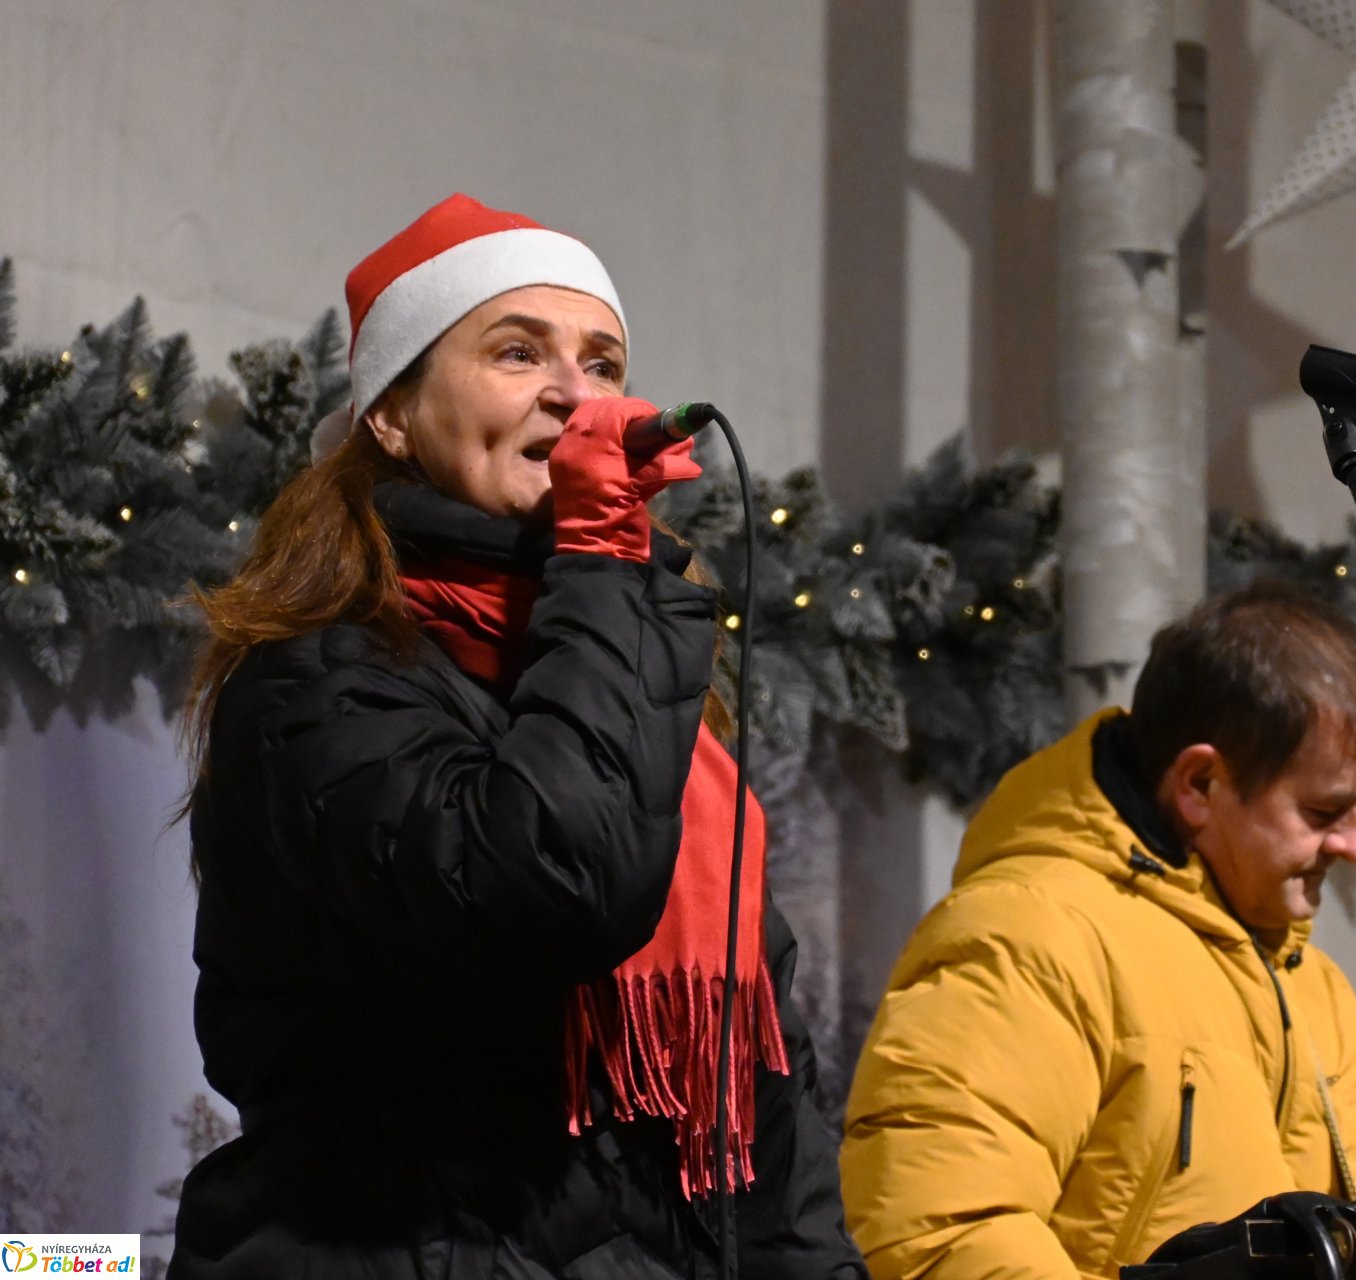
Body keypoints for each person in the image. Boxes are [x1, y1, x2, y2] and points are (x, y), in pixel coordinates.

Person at [171, 194, 865, 1280]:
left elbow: (765, 1104)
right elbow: (556, 880)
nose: (572, 394)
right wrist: (603, 557)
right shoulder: (315, 678)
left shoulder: (637, 679)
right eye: (515, 350)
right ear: (392, 417)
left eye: (601, 360)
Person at [839, 581, 1356, 1279]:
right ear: (1199, 784)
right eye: (1325, 812)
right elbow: (937, 1240)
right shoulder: (1027, 938)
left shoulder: (1318, 988)